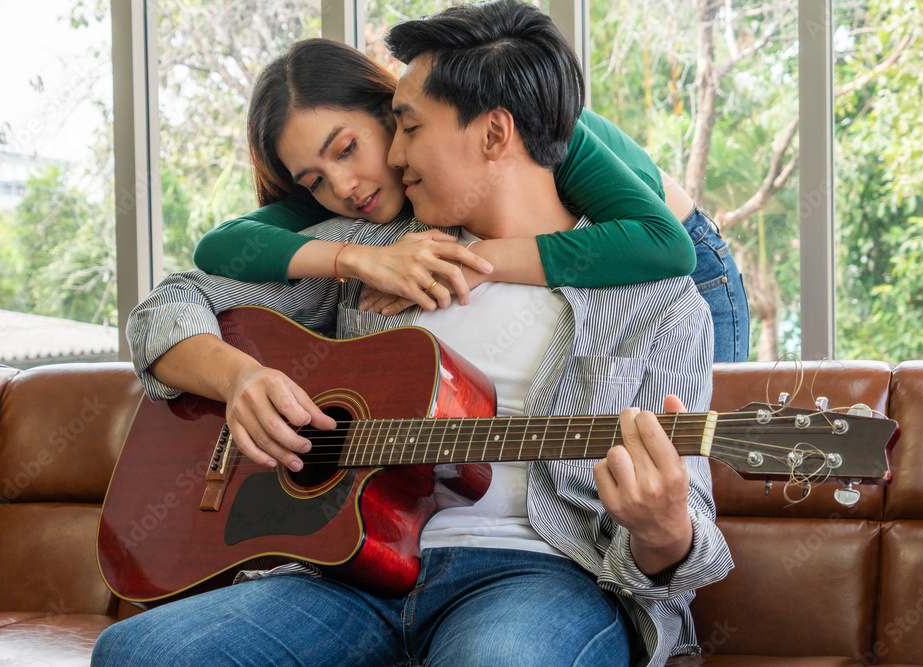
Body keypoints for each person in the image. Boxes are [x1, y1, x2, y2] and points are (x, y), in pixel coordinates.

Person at [91, 2, 733, 665]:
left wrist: (663, 531)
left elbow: (690, 543)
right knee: (138, 653)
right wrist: (242, 377)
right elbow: (170, 306)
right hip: (349, 571)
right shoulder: (377, 247)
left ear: (493, 134)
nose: (389, 160)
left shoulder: (658, 300)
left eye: (407, 128)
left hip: (535, 576)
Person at [192, 40, 750, 362]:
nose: (340, 186)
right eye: (312, 180)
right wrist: (359, 259)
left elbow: (663, 247)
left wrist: (477, 264)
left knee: (689, 469)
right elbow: (222, 244)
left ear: (393, 108)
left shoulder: (533, 127)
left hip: (683, 269)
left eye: (346, 149)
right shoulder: (360, 194)